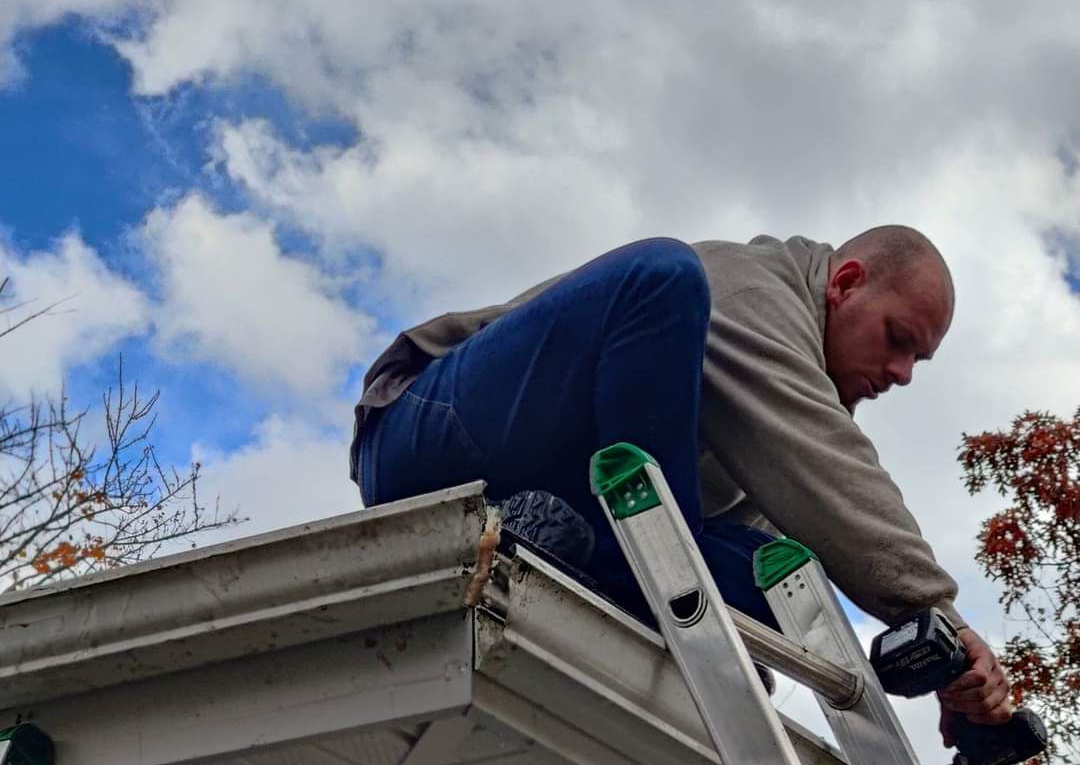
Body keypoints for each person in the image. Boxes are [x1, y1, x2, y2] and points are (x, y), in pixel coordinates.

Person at [350, 226, 1011, 738]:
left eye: (916, 361)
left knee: (780, 577)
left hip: (558, 506)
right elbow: (833, 471)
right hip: (427, 437)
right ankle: (633, 569)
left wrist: (946, 663)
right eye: (898, 339)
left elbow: (791, 534)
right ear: (844, 283)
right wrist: (937, 611)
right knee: (661, 276)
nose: (901, 373)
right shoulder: (755, 293)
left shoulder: (766, 434)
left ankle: (584, 557)